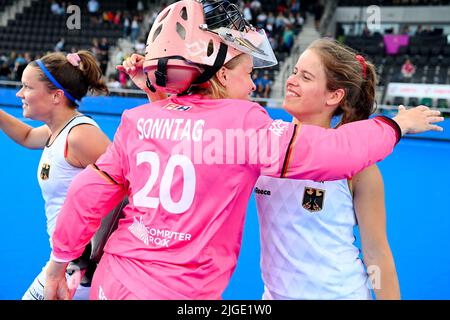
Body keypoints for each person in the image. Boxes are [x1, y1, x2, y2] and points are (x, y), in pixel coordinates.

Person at [44, 0, 442, 300]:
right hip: (183, 293)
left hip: (115, 280)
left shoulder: (137, 120)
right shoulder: (248, 127)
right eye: (249, 74)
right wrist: (395, 124)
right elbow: (335, 152)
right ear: (217, 72)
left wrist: (58, 264)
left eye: (305, 76)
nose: (255, 86)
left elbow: (90, 192)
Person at [255, 39, 402, 300]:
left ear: (334, 95)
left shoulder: (360, 169)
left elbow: (376, 253)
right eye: (294, 72)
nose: (292, 80)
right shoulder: (266, 146)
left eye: (306, 77)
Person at [0, 51, 111, 300]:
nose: (19, 94)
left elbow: (127, 189)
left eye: (27, 87)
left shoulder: (81, 136)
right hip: (68, 262)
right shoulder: (58, 131)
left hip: (80, 268)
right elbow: (27, 137)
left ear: (56, 96)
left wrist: (88, 258)